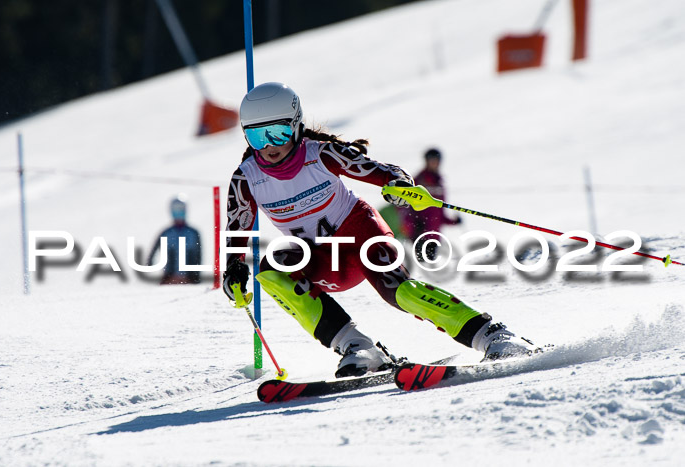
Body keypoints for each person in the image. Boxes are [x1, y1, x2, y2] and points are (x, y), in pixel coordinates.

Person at [223, 82, 538, 378]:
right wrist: (232, 269)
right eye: (257, 137)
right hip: (323, 261)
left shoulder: (321, 155)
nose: (269, 147)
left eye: (276, 134)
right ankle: (359, 348)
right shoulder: (246, 179)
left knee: (398, 290)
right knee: (271, 268)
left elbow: (384, 171)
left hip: (361, 233)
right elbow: (236, 230)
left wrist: (398, 185)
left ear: (295, 125)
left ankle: (495, 335)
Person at [402, 148, 461, 261]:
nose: (434, 162)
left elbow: (439, 213)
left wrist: (453, 221)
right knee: (421, 267)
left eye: (436, 160)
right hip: (419, 234)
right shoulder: (418, 181)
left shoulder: (440, 182)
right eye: (431, 159)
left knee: (431, 270)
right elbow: (404, 206)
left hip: (434, 236)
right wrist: (413, 226)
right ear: (426, 161)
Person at [148, 194, 202, 285]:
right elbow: (154, 250)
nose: (178, 212)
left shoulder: (193, 233)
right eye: (175, 209)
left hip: (190, 278)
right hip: (169, 277)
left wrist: (196, 276)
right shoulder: (166, 233)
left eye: (180, 208)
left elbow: (199, 255)